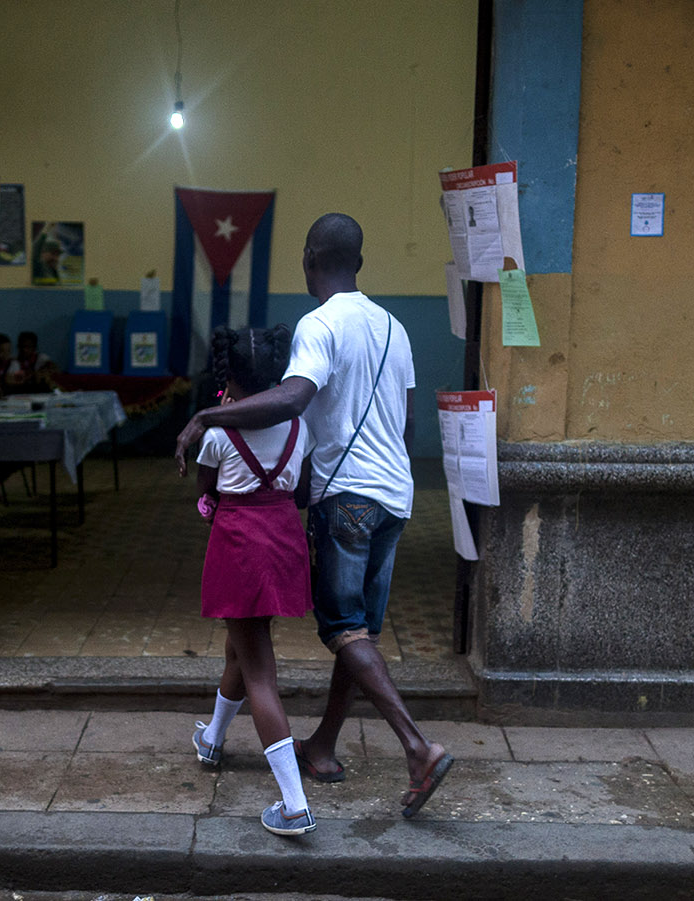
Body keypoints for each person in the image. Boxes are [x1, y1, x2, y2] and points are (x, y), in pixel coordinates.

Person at [176, 212, 452, 819]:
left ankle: (417, 746)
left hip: (346, 497)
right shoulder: (396, 328)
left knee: (344, 629)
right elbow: (407, 424)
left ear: (308, 259)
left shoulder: (318, 323)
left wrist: (207, 416)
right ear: (360, 262)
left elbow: (293, 397)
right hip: (395, 495)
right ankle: (322, 747)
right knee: (360, 634)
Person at [189, 324, 318, 836]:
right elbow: (302, 493)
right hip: (283, 544)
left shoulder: (216, 435)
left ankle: (294, 805)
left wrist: (217, 500)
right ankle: (212, 739)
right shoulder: (299, 427)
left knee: (259, 671)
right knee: (240, 650)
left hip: (239, 548)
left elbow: (206, 495)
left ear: (228, 379)